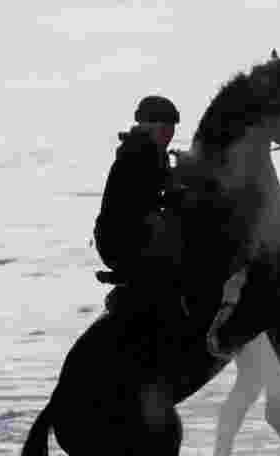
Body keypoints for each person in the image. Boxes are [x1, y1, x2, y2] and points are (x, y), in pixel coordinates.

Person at [92, 95, 187, 376]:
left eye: (171, 129)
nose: (169, 135)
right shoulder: (144, 151)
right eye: (165, 128)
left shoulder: (140, 147)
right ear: (148, 126)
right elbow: (169, 192)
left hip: (119, 236)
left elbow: (160, 187)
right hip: (127, 239)